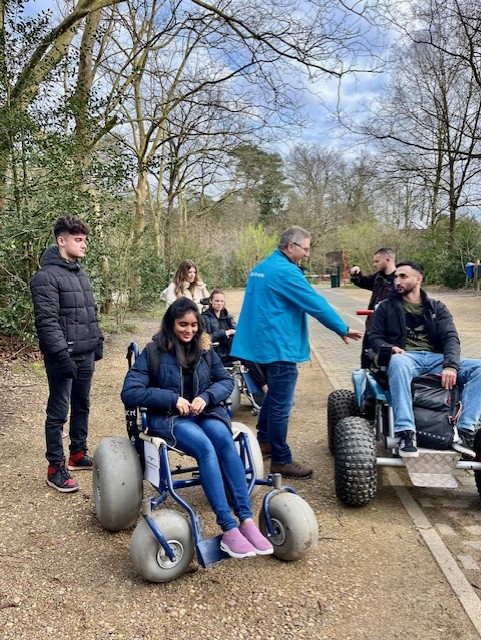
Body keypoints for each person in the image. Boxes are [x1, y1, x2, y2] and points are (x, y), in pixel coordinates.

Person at [120, 297, 273, 559]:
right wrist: (171, 399)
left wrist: (207, 397)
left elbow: (225, 381)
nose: (189, 330)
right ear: (171, 323)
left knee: (224, 440)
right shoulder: (154, 351)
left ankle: (246, 520)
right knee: (205, 446)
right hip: (170, 418)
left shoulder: (204, 350)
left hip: (204, 412)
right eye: (182, 325)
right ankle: (227, 528)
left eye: (193, 325)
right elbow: (130, 392)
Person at [230, 226, 363, 479]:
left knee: (272, 397)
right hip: (280, 347)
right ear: (291, 247)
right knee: (281, 404)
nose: (308, 254)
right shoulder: (286, 272)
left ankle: (266, 441)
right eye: (306, 248)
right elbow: (315, 303)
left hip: (259, 346)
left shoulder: (262, 267)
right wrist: (342, 328)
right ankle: (281, 459)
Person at [369, 260, 481, 458]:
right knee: (398, 362)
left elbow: (450, 339)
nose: (397, 281)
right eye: (396, 276)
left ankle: (464, 431)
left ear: (418, 279)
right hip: (406, 358)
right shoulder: (385, 307)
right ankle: (406, 432)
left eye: (403, 276)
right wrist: (389, 348)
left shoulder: (437, 308)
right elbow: (374, 338)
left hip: (435, 359)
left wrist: (451, 366)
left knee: (479, 368)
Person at [30, 216, 104, 493]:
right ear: (62, 240)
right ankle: (55, 467)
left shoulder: (80, 273)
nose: (84, 244)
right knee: (58, 411)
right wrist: (61, 356)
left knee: (82, 405)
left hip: (85, 354)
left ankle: (77, 453)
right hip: (63, 356)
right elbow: (47, 321)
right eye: (78, 239)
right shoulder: (45, 277)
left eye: (84, 239)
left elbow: (89, 312)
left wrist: (97, 341)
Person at [201, 289, 268, 393]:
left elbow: (240, 332)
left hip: (232, 349)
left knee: (258, 353)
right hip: (218, 353)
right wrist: (224, 333)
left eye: (222, 301)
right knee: (246, 355)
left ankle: (269, 385)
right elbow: (204, 340)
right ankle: (264, 387)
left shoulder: (228, 317)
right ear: (210, 301)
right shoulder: (204, 318)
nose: (219, 304)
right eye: (217, 301)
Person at [350, 248, 396, 368]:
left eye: (377, 261)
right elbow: (362, 281)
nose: (374, 264)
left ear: (388, 260)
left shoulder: (399, 281)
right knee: (366, 363)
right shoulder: (378, 277)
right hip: (372, 328)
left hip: (389, 331)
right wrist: (356, 274)